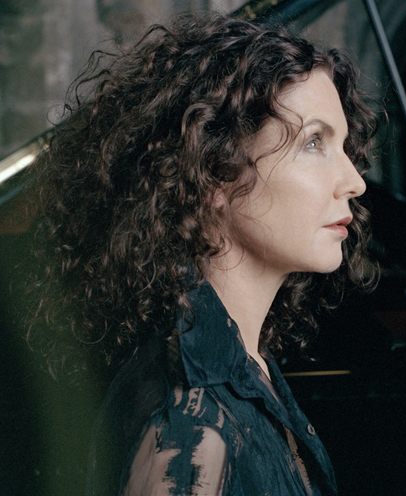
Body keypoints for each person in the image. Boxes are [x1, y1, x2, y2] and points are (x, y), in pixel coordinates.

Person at [25, 11, 378, 496]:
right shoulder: (190, 432)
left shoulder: (243, 367)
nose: (355, 181)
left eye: (344, 147)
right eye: (315, 142)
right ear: (215, 171)